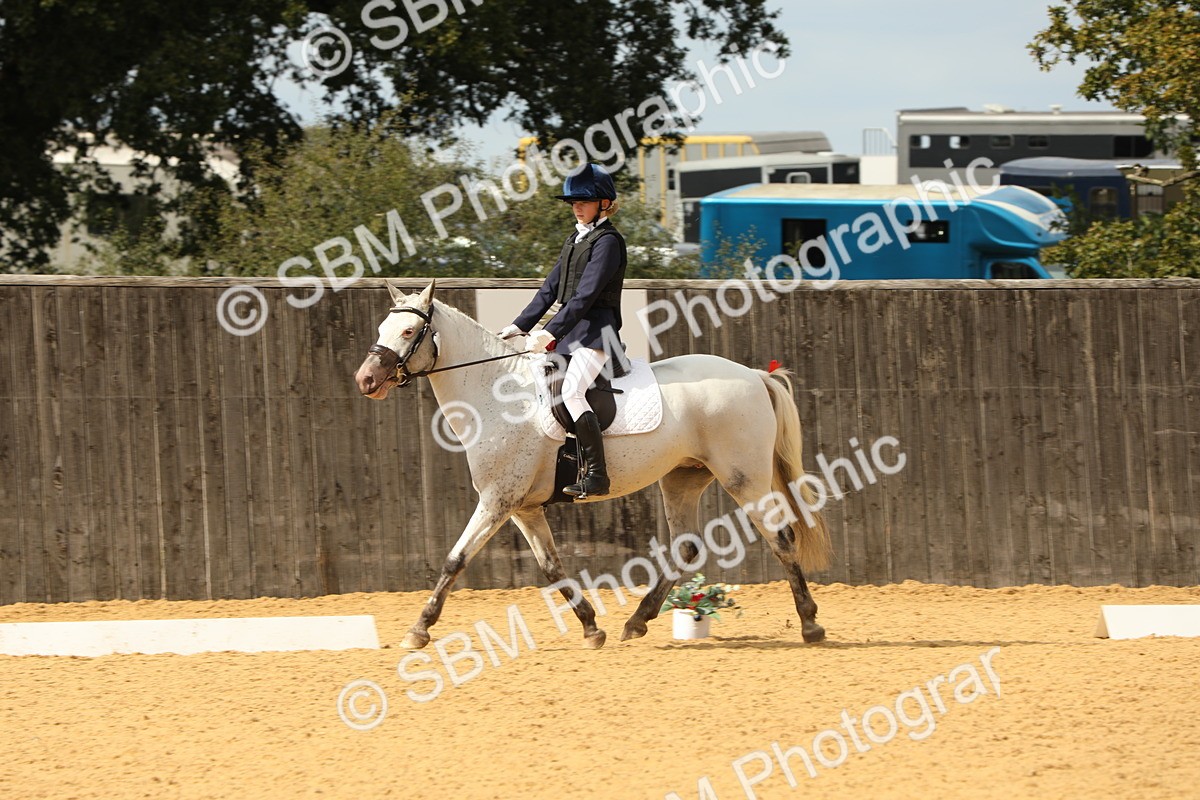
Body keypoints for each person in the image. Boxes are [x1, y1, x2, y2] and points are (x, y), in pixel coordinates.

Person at [497, 162, 628, 498]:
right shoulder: (575, 238)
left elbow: (585, 296)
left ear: (604, 203)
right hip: (570, 334)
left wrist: (550, 331)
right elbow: (549, 289)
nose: (577, 206)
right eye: (573, 202)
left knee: (571, 392)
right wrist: (519, 325)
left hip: (597, 334)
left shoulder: (608, 242)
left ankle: (598, 475)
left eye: (583, 201)